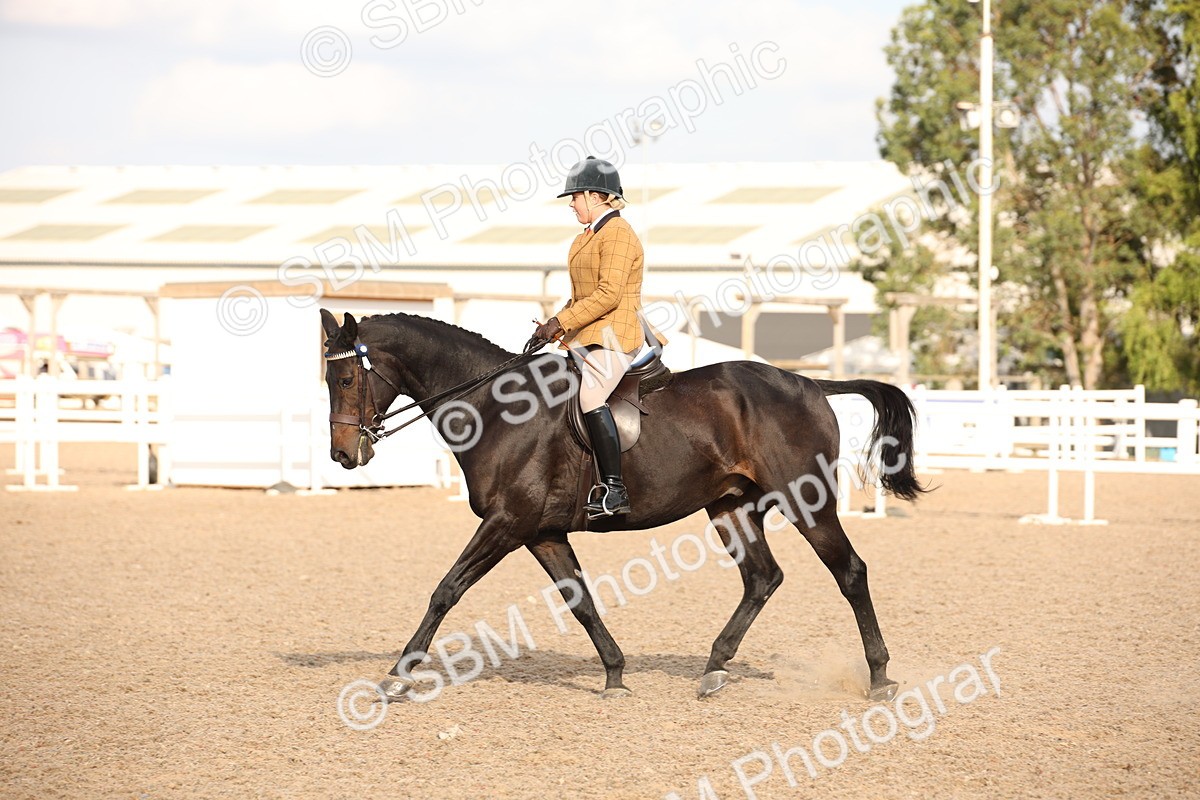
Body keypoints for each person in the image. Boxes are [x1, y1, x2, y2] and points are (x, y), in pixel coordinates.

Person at [531, 156, 661, 518]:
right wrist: (552, 328)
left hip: (618, 332)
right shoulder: (586, 238)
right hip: (590, 332)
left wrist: (560, 321)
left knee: (590, 394)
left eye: (574, 197)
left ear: (594, 195)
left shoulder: (619, 234)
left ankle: (616, 490)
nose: (571, 205)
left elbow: (609, 295)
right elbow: (580, 297)